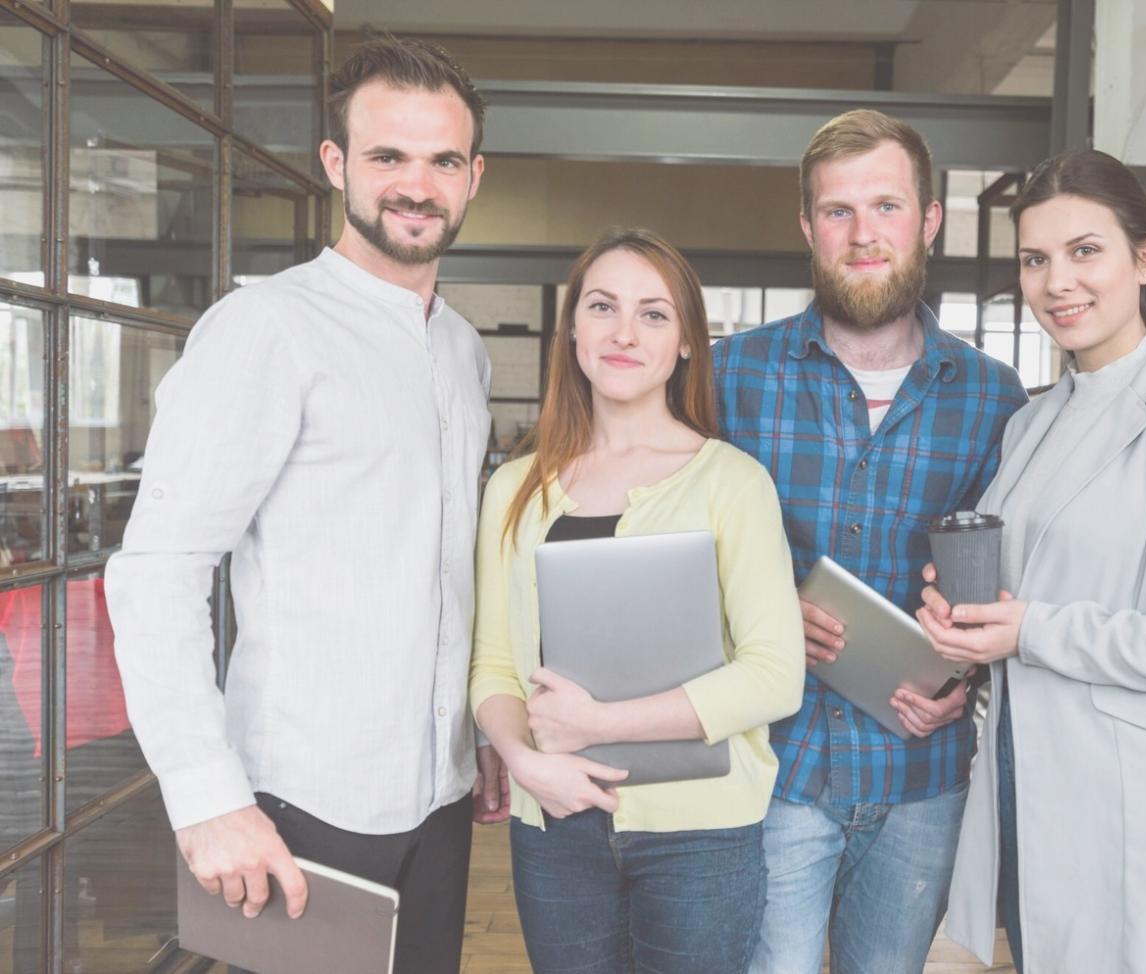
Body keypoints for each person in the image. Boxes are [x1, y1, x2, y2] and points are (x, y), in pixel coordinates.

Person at [104, 34, 506, 974]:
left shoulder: (463, 351)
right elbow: (158, 572)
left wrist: (479, 728)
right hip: (298, 804)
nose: (418, 184)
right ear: (336, 164)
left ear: (474, 175)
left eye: (443, 160)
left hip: (440, 806)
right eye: (387, 156)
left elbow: (446, 570)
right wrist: (206, 798)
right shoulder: (264, 330)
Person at [917, 148, 1146, 974]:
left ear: (1145, 257)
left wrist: (1033, 630)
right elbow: (1030, 596)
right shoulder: (1033, 422)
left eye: (1086, 251)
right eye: (1036, 259)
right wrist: (967, 628)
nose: (1057, 283)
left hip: (1144, 815)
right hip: (1034, 794)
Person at [712, 110, 1027, 974]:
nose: (863, 235)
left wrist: (968, 673)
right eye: (839, 212)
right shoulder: (727, 376)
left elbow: (1019, 582)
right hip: (775, 766)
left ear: (928, 220)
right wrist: (759, 617)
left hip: (920, 779)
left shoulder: (996, 398)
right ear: (808, 227)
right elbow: (671, 543)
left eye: (886, 207)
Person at [470, 227, 805, 974]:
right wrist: (527, 763)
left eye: (653, 314)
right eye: (602, 307)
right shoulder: (511, 491)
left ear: (686, 341)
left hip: (702, 833)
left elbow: (775, 675)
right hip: (555, 823)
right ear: (573, 329)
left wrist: (600, 724)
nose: (624, 333)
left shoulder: (732, 483)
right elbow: (493, 664)